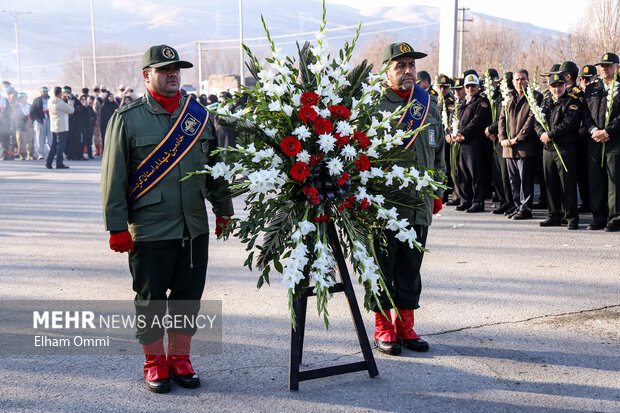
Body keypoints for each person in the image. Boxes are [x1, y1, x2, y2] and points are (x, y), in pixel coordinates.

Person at [101, 44, 234, 393]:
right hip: (149, 229)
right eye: (164, 70)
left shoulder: (199, 116)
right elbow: (113, 177)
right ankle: (155, 361)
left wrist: (223, 209)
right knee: (151, 299)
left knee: (188, 297)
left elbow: (214, 168)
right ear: (147, 76)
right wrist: (116, 226)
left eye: (176, 69)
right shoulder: (126, 119)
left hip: (193, 226)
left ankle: (180, 358)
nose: (173, 74)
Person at [371, 42, 445, 356]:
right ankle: (383, 327)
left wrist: (438, 191)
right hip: (384, 205)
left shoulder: (428, 104)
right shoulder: (373, 106)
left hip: (419, 203)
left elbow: (440, 152)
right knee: (382, 266)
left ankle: (405, 326)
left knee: (410, 266)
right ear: (387, 70)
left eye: (412, 65)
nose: (408, 71)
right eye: (401, 66)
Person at [535, 74, 581, 229]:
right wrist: (541, 133)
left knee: (567, 183)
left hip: (565, 148)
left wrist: (550, 134)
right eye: (554, 86)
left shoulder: (572, 101)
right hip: (548, 149)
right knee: (550, 183)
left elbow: (569, 123)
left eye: (560, 85)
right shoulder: (545, 102)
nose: (557, 89)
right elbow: (537, 120)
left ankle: (571, 217)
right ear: (549, 87)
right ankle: (554, 215)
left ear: (565, 85)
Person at [582, 52, 620, 232]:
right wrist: (593, 130)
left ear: (616, 66)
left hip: (614, 140)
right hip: (595, 140)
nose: (604, 68)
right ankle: (598, 217)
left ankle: (615, 218)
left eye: (608, 65)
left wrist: (608, 131)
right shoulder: (592, 88)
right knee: (595, 179)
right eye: (602, 66)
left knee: (614, 182)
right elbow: (586, 113)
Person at [498, 69, 541, 220]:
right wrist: (502, 138)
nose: (519, 82)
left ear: (527, 80)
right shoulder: (508, 97)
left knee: (525, 179)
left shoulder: (534, 97)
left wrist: (517, 138)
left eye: (522, 79)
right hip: (508, 147)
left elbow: (531, 120)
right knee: (514, 179)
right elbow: (501, 120)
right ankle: (518, 206)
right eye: (517, 79)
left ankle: (526, 208)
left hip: (524, 146)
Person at [453, 73, 492, 212]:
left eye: (473, 86)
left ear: (478, 86)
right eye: (468, 86)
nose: (470, 89)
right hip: (462, 143)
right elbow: (456, 120)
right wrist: (455, 134)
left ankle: (478, 202)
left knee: (476, 173)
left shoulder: (482, 101)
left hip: (474, 143)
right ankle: (465, 200)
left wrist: (462, 134)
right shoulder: (463, 101)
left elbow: (477, 121)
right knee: (463, 173)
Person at [485, 68, 514, 215]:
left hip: (505, 138)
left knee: (505, 173)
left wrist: (492, 128)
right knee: (497, 173)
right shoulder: (497, 97)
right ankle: (503, 200)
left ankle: (509, 201)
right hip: (496, 138)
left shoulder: (511, 98)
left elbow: (505, 119)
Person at [46, 86, 74, 169]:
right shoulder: (60, 103)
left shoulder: (50, 101)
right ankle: (59, 163)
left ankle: (49, 162)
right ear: (59, 94)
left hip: (54, 126)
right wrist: (69, 101)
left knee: (54, 146)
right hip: (62, 127)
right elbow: (71, 110)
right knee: (60, 146)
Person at [30, 86, 52, 160]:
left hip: (50, 120)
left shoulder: (51, 99)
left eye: (45, 91)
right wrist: (34, 119)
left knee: (50, 137)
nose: (44, 92)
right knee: (40, 138)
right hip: (41, 120)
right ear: (41, 92)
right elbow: (33, 110)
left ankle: (52, 153)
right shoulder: (37, 100)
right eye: (43, 91)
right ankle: (40, 153)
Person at [15, 92, 35, 160]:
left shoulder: (30, 105)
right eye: (22, 98)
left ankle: (31, 154)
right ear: (19, 99)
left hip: (30, 125)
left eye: (25, 97)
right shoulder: (16, 106)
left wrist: (31, 119)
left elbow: (33, 113)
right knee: (21, 141)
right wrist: (26, 119)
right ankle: (22, 154)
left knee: (31, 140)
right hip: (21, 126)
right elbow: (17, 116)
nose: (24, 99)